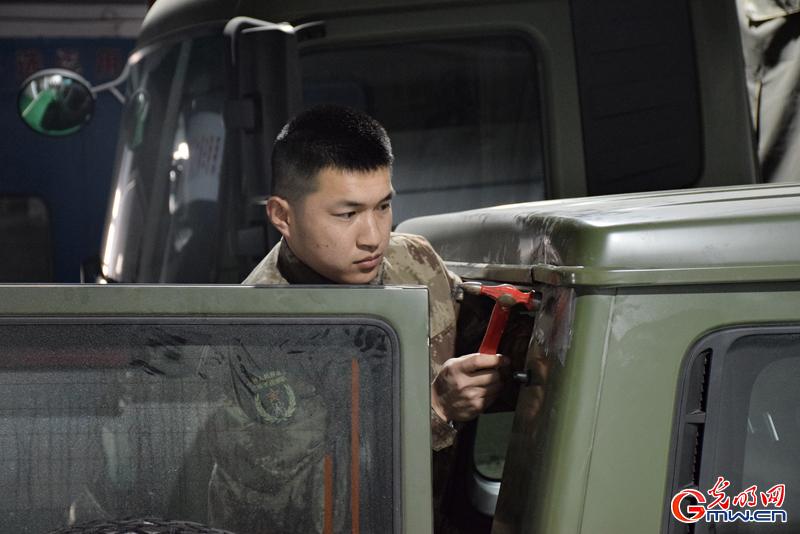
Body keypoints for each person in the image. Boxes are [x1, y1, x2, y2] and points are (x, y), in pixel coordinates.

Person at [233, 104, 509, 532]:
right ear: (282, 216)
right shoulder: (252, 334)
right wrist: (435, 408)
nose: (374, 237)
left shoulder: (413, 259)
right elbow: (304, 503)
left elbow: (487, 342)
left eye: (382, 207)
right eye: (347, 214)